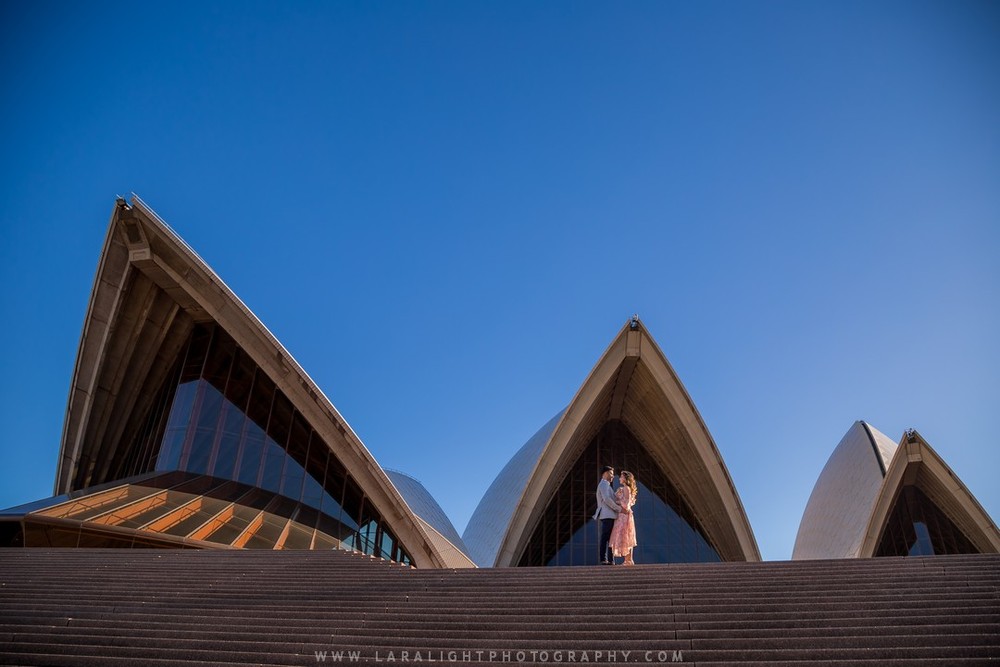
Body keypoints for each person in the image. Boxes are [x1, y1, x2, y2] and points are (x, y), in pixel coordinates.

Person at [609, 470, 638, 566]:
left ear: (626, 479)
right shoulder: (626, 488)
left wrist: (617, 502)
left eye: (621, 477)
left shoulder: (626, 488)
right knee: (626, 536)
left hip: (624, 516)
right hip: (624, 515)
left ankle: (629, 560)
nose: (620, 478)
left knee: (625, 536)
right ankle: (628, 560)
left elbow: (626, 504)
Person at [592, 465, 619, 564]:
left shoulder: (607, 485)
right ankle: (604, 559)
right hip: (608, 515)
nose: (613, 476)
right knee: (605, 537)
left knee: (610, 538)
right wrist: (619, 509)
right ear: (605, 473)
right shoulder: (604, 484)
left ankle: (610, 559)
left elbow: (612, 498)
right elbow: (607, 499)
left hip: (610, 515)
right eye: (611, 473)